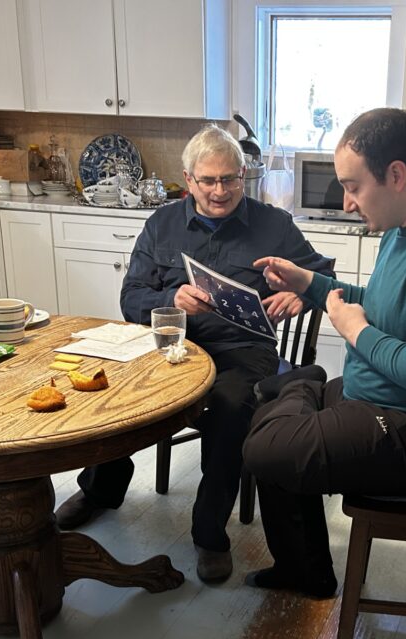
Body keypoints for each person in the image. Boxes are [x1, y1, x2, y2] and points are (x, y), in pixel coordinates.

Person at [242, 108, 406, 599]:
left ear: (395, 175)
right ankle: (304, 569)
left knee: (265, 445)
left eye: (353, 186)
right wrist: (312, 283)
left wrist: (357, 332)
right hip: (398, 401)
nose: (346, 203)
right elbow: (384, 303)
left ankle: (301, 400)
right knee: (275, 393)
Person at [55, 124, 334, 583]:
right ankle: (100, 490)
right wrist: (170, 301)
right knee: (117, 388)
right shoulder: (161, 224)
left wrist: (302, 295)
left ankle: (209, 535)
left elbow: (322, 272)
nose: (220, 191)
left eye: (230, 179)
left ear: (243, 175)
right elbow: (131, 298)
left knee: (228, 409)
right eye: (208, 181)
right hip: (172, 343)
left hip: (243, 350)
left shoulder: (274, 226)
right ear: (189, 180)